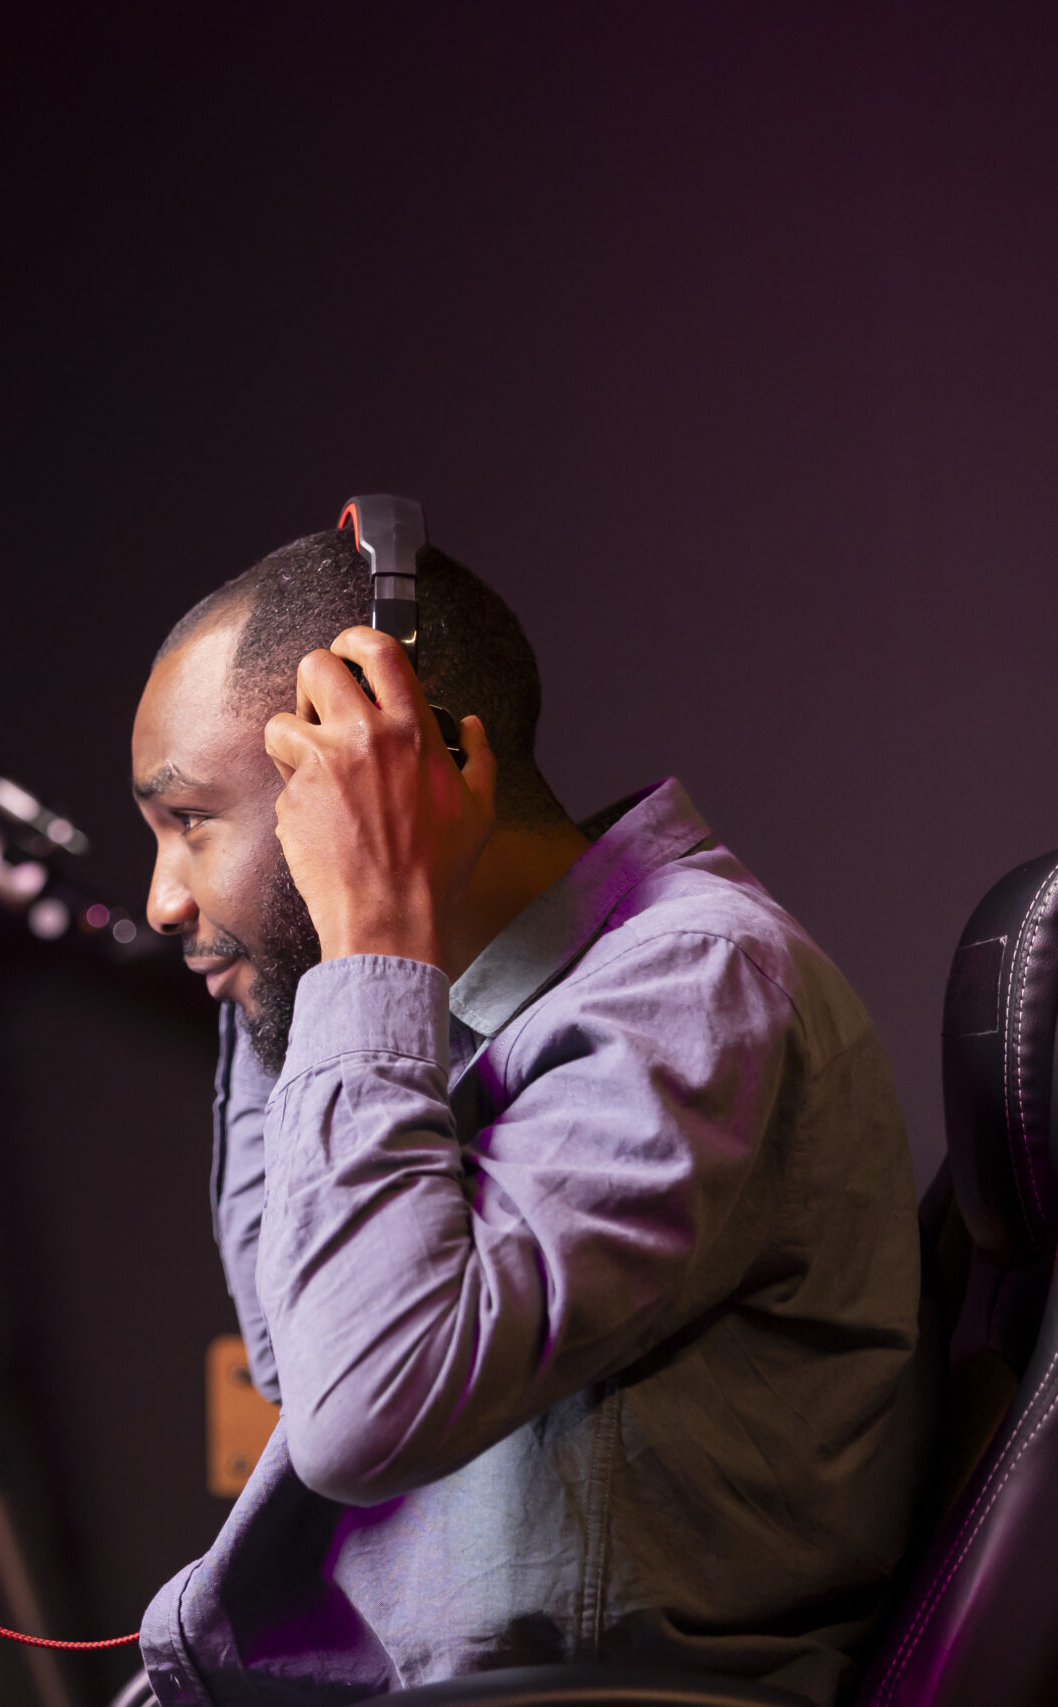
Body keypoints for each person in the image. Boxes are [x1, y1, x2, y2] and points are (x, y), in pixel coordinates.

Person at [127, 523, 931, 1705]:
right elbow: (301, 1351)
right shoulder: (453, 1008)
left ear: (396, 772)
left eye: (189, 821)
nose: (158, 900)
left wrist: (362, 933)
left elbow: (359, 1416)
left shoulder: (691, 992)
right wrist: (308, 957)